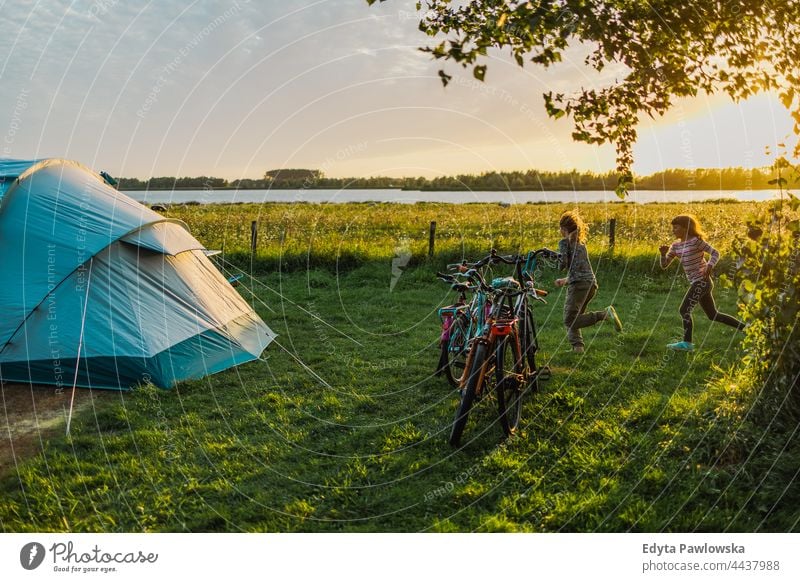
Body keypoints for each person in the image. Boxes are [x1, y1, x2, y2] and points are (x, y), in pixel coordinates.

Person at [659, 214, 744, 351]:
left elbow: (715, 253)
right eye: (672, 228)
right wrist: (663, 254)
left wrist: (710, 265)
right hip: (697, 282)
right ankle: (746, 328)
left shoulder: (696, 241)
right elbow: (664, 265)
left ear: (686, 228)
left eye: (676, 227)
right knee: (713, 315)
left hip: (702, 282)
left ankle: (687, 344)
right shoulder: (675, 246)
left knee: (684, 309)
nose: (673, 230)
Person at [556, 210, 622, 353]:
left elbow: (563, 264)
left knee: (569, 320)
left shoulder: (564, 243)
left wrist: (555, 260)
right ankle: (577, 347)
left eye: (560, 228)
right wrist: (565, 280)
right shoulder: (581, 244)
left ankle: (603, 315)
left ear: (564, 229)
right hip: (590, 285)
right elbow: (580, 269)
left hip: (579, 286)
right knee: (575, 317)